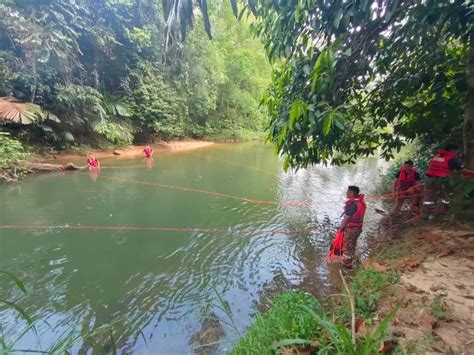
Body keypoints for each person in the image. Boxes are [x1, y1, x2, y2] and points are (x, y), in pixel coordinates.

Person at [338, 185, 366, 268]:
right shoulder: (360, 201)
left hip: (352, 229)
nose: (346, 193)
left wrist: (340, 229)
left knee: (347, 247)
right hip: (358, 228)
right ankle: (353, 259)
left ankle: (347, 266)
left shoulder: (352, 205)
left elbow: (346, 219)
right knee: (352, 244)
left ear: (352, 193)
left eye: (347, 191)